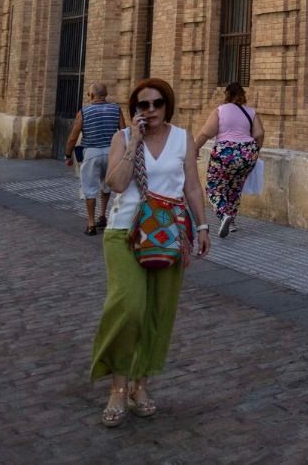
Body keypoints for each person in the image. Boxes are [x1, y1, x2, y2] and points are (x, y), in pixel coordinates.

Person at [91, 78, 210, 427]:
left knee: (159, 311)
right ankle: (117, 385)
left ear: (167, 106)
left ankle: (140, 383)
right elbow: (115, 183)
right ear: (135, 110)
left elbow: (191, 185)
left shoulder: (182, 138)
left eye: (158, 103)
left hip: (168, 233)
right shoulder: (123, 138)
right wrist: (135, 141)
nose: (152, 110)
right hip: (123, 232)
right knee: (128, 306)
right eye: (144, 105)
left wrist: (202, 227)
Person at [192, 81, 265, 239]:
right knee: (235, 187)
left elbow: (206, 133)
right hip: (247, 153)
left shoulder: (220, 110)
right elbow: (259, 134)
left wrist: (194, 148)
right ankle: (231, 223)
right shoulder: (251, 112)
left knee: (213, 187)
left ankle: (224, 214)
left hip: (226, 153)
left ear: (226, 94)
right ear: (242, 95)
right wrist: (254, 153)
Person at [63, 83, 128, 234]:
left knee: (89, 188)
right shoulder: (116, 109)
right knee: (106, 185)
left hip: (92, 152)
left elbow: (73, 136)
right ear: (106, 95)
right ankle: (102, 216)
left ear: (91, 95)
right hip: (111, 152)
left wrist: (67, 154)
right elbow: (124, 132)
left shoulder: (84, 112)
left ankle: (91, 224)